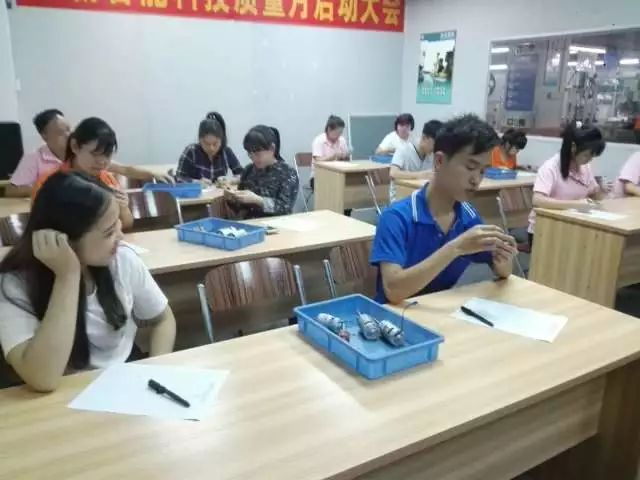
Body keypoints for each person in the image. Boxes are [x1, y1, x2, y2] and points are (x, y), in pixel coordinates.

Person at [0, 172, 176, 392]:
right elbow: (43, 378)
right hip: (60, 397)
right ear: (65, 239)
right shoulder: (13, 284)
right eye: (109, 232)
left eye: (117, 223)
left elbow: (163, 319)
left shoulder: (122, 259)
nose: (120, 236)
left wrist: (155, 371)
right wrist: (67, 276)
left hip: (124, 382)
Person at [370, 114, 516, 304]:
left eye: (482, 171)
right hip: (394, 315)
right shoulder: (396, 218)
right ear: (439, 161)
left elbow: (503, 271)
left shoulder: (468, 217)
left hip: (436, 311)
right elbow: (393, 291)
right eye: (470, 167)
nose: (476, 180)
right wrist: (456, 248)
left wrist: (504, 256)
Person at [7, 109, 171, 198]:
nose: (68, 135)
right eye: (61, 133)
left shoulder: (89, 161)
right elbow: (11, 190)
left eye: (69, 129)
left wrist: (152, 174)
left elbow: (125, 169)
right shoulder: (34, 160)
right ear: (44, 136)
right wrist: (46, 189)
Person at [32, 117, 135, 231]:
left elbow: (127, 224)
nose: (102, 161)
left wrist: (123, 208)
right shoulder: (48, 182)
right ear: (75, 146)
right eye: (94, 153)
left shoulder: (107, 179)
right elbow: (39, 229)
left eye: (107, 154)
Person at [528, 124, 607, 246]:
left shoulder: (585, 167)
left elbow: (594, 193)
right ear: (573, 147)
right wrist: (576, 205)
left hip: (572, 227)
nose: (590, 159)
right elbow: (537, 200)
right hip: (545, 230)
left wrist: (603, 190)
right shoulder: (550, 167)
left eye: (593, 155)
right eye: (587, 155)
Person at [224, 125, 299, 218]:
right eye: (250, 154)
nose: (253, 158)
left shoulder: (287, 173)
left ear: (272, 148)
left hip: (276, 224)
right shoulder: (248, 170)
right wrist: (233, 200)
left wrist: (258, 200)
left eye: (257, 154)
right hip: (250, 223)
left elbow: (285, 208)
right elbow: (240, 208)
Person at [175, 113, 242, 185]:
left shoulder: (226, 152)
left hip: (219, 191)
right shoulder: (191, 151)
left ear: (221, 140)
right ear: (200, 140)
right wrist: (196, 182)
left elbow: (243, 175)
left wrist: (231, 180)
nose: (211, 148)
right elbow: (179, 178)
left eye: (215, 144)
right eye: (206, 144)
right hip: (197, 191)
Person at [389, 119, 443, 202]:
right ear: (424, 138)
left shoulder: (432, 154)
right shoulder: (404, 149)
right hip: (401, 198)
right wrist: (419, 175)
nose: (436, 149)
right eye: (435, 145)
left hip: (420, 197)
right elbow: (393, 173)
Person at [310, 115, 350, 188]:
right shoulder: (319, 140)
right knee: (335, 185)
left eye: (340, 133)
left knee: (351, 182)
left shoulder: (341, 140)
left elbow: (347, 157)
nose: (338, 136)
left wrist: (345, 156)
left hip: (338, 174)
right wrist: (333, 156)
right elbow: (318, 160)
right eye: (337, 133)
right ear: (329, 130)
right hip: (319, 176)